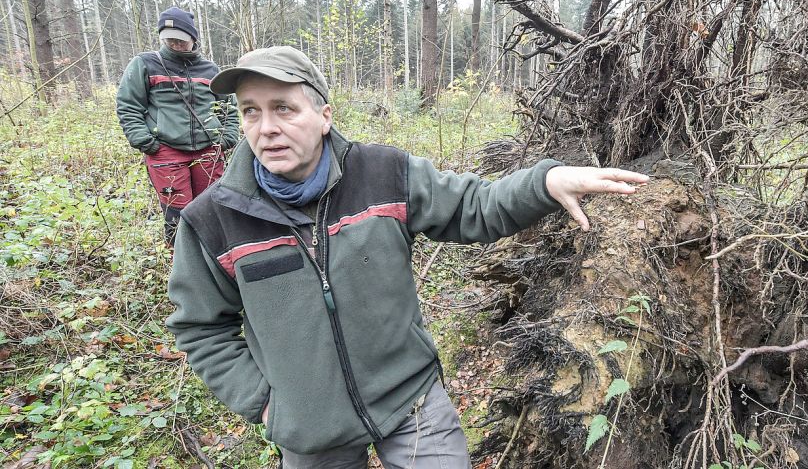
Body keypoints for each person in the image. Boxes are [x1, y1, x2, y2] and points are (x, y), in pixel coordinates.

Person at [165, 46, 649, 468]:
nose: (266, 128)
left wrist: (545, 182)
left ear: (324, 115)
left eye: (284, 109)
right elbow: (201, 327)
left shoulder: (384, 174)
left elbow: (475, 207)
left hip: (410, 401)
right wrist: (267, 403)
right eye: (250, 111)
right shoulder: (213, 219)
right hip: (310, 431)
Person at [115, 7, 239, 246]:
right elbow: (128, 105)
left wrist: (227, 137)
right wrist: (146, 142)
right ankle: (181, 265)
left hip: (207, 151)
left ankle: (214, 259)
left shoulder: (210, 70)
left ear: (193, 39)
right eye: (169, 39)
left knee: (211, 208)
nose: (175, 44)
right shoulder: (146, 64)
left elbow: (228, 108)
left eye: (181, 40)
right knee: (177, 213)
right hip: (166, 152)